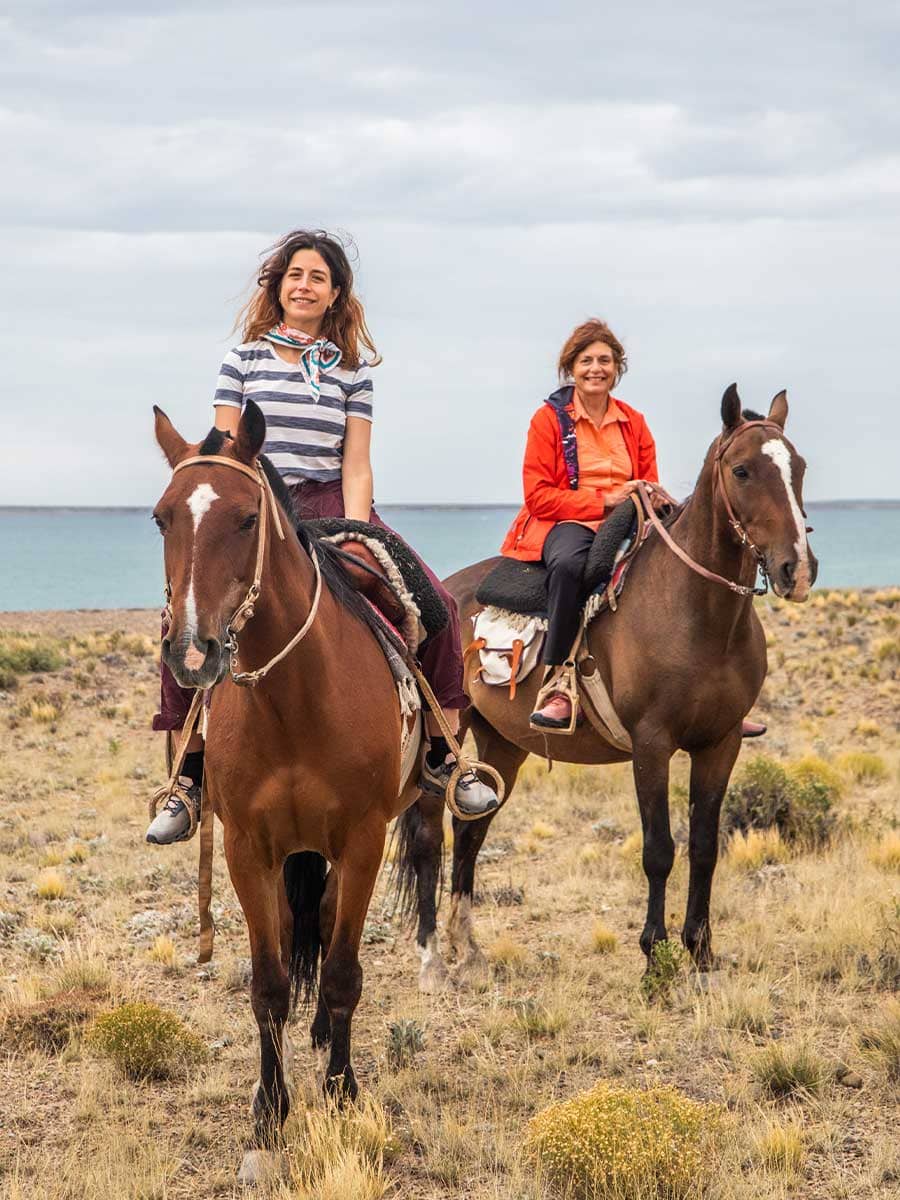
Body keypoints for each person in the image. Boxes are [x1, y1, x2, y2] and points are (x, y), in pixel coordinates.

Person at [146, 230, 498, 843]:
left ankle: (445, 753)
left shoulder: (352, 373)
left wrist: (357, 531)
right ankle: (189, 775)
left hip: (332, 502)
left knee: (434, 602)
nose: (304, 286)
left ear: (335, 295)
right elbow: (227, 451)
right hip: (255, 507)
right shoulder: (243, 360)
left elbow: (356, 462)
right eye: (295, 276)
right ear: (278, 287)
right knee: (185, 617)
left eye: (317, 278)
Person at [500, 318, 767, 737]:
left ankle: (721, 699)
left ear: (616, 368)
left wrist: (652, 494)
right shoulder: (548, 421)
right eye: (586, 360)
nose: (596, 368)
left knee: (691, 561)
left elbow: (646, 475)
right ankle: (560, 683)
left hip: (631, 516)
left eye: (605, 360)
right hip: (567, 520)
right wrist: (604, 499)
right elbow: (538, 496)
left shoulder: (634, 421)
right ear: (571, 368)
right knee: (570, 568)